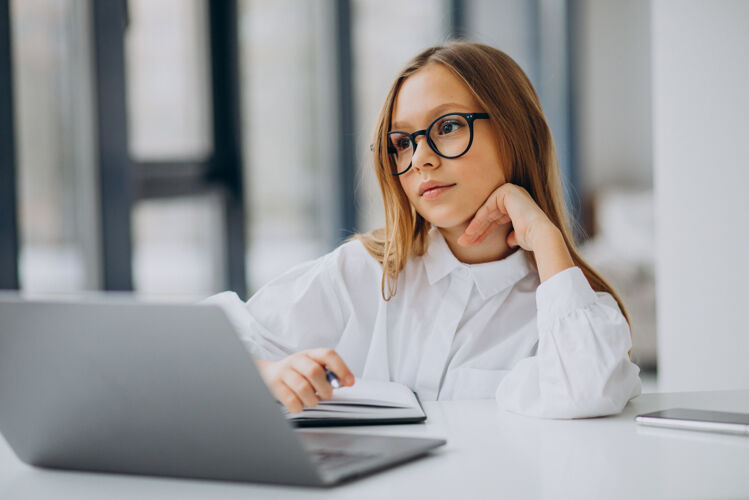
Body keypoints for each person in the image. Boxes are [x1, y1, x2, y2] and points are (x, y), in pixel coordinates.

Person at [206, 41, 641, 419]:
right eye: (403, 142)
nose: (420, 159)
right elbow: (203, 344)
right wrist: (271, 375)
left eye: (448, 127)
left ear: (515, 133)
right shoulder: (362, 272)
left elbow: (587, 391)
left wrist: (547, 239)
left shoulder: (565, 311)